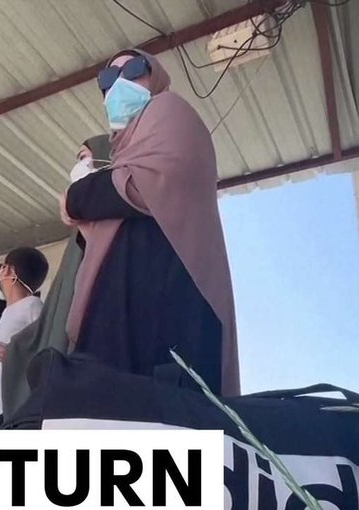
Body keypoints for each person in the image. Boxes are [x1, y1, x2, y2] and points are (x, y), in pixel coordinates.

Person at [61, 49, 241, 396]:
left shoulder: (168, 109)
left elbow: (145, 184)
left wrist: (76, 196)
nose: (119, 84)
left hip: (163, 299)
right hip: (124, 305)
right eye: (108, 79)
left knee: (158, 408)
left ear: (155, 74)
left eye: (133, 69)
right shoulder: (124, 151)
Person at [0, 135, 111, 423]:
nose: (78, 167)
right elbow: (56, 316)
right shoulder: (77, 240)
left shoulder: (122, 226)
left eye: (84, 157)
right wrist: (19, 350)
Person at [0, 247, 48, 430]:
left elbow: (44, 349)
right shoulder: (9, 312)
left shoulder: (33, 306)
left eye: (0, 267)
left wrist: (18, 356)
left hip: (12, 408)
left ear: (9, 271)